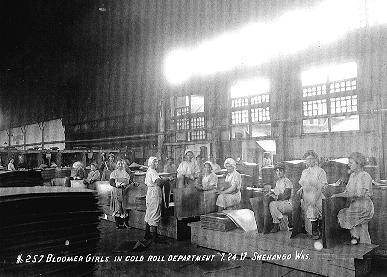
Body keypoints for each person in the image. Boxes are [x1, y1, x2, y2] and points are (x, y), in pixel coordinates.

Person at [332, 152, 374, 245]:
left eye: (351, 163)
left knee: (358, 225)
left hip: (364, 206)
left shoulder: (365, 176)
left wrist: (339, 195)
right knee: (355, 225)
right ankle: (357, 243)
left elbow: (359, 194)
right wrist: (336, 195)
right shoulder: (352, 176)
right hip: (354, 205)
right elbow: (347, 192)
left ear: (358, 163)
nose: (348, 165)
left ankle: (364, 248)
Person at [297, 150, 327, 239]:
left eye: (311, 159)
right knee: (310, 211)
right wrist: (301, 188)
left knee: (317, 211)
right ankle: (313, 231)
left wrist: (315, 199)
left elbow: (321, 186)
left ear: (315, 160)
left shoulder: (320, 171)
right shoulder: (305, 172)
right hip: (307, 196)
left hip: (318, 195)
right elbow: (304, 183)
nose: (309, 161)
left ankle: (320, 231)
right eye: (307, 160)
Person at [267, 163, 293, 233]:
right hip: (281, 203)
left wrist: (275, 197)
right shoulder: (278, 182)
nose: (278, 172)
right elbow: (277, 193)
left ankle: (277, 224)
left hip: (288, 203)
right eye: (277, 171)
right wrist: (271, 193)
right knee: (271, 204)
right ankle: (280, 219)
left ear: (284, 172)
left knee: (272, 204)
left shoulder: (287, 181)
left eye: (280, 171)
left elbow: (286, 195)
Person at [144, 157, 163, 242]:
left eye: (157, 162)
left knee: (149, 213)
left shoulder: (149, 170)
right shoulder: (152, 171)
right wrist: (166, 179)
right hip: (154, 193)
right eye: (154, 162)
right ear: (150, 163)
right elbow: (158, 182)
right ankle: (155, 237)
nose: (156, 164)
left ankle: (147, 234)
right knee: (155, 211)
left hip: (150, 192)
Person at [110, 160, 131, 229]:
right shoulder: (114, 173)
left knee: (124, 207)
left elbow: (129, 181)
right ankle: (117, 224)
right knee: (117, 207)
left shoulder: (125, 173)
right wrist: (116, 184)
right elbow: (111, 182)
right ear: (116, 165)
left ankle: (125, 223)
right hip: (116, 191)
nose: (120, 165)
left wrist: (132, 183)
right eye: (119, 164)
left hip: (124, 191)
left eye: (121, 164)